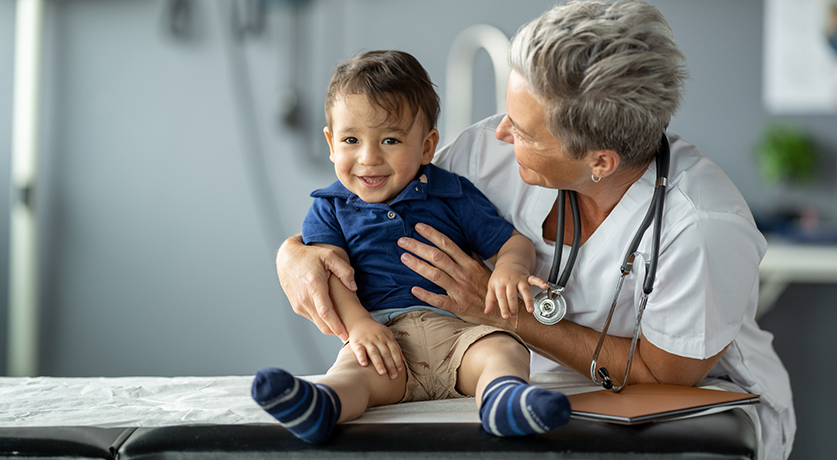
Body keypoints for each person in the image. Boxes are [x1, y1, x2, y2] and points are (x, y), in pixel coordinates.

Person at [276, 1, 796, 458]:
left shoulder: (701, 227)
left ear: (600, 160)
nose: (500, 132)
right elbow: (368, 216)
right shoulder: (485, 153)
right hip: (526, 398)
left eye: (523, 131)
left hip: (685, 412)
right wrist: (293, 255)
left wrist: (507, 315)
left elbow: (663, 377)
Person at [252, 50, 571, 444]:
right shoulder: (330, 207)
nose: (369, 158)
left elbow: (513, 242)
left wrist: (509, 269)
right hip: (383, 338)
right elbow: (329, 274)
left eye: (390, 139)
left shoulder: (451, 193)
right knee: (353, 376)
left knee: (503, 351)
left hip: (461, 333)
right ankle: (321, 406)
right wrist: (359, 326)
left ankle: (504, 402)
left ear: (426, 146)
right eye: (351, 140)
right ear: (331, 143)